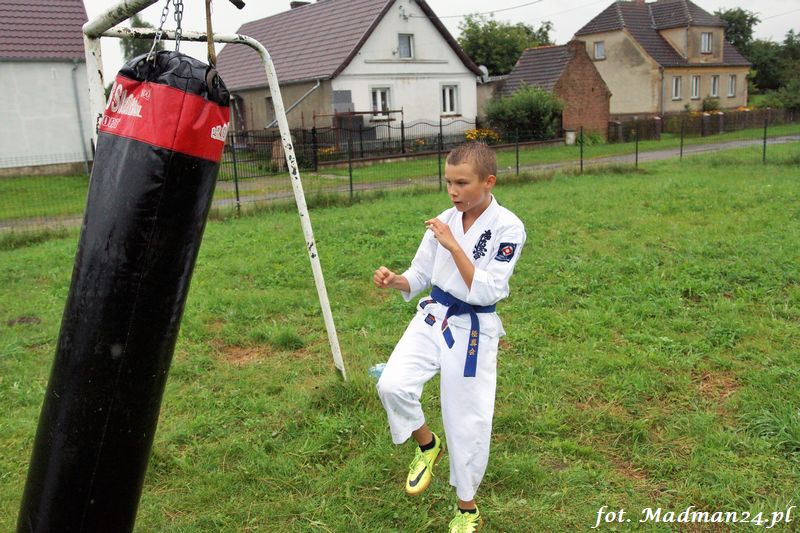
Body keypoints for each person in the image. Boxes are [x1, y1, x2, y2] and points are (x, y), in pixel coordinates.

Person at [373, 142, 526, 532]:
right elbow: (420, 274)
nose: (453, 192)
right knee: (392, 384)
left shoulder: (508, 227)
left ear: (488, 182)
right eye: (448, 183)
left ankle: (466, 508)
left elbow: (489, 289)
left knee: (466, 421)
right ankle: (427, 445)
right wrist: (396, 281)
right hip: (433, 315)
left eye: (462, 183)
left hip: (473, 328)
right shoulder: (445, 220)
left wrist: (454, 245)